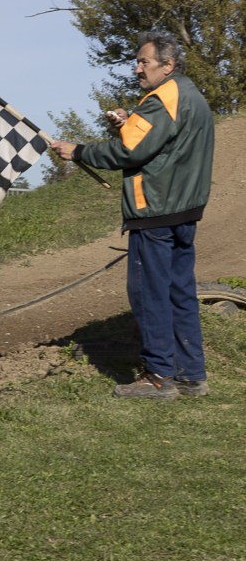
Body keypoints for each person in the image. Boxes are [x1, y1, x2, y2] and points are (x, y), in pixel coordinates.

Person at [50, 31, 215, 400]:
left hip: (155, 212)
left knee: (149, 294)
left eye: (144, 62)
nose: (137, 68)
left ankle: (158, 378)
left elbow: (129, 152)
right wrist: (130, 121)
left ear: (167, 65)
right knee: (179, 294)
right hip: (184, 212)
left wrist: (78, 151)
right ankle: (191, 377)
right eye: (137, 61)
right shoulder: (190, 95)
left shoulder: (161, 100)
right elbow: (162, 144)